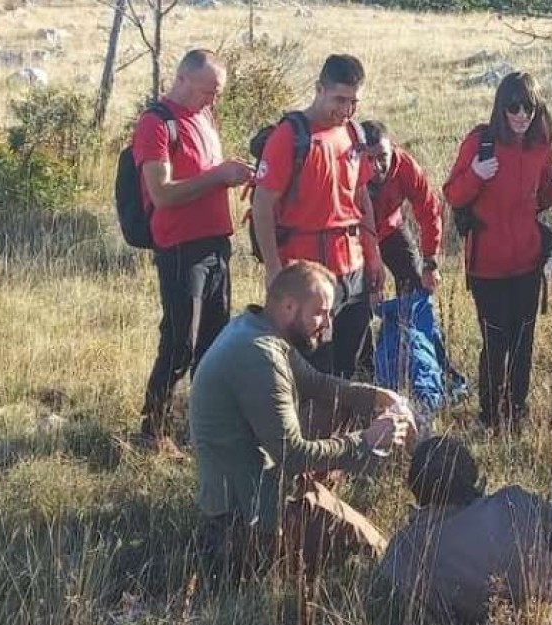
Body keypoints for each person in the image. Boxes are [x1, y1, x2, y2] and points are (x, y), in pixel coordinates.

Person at [189, 260, 416, 584]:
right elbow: (292, 455)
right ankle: (292, 533)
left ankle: (314, 501)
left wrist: (379, 397)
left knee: (339, 405)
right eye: (320, 313)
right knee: (382, 551)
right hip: (247, 520)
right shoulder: (260, 356)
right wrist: (367, 441)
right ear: (288, 306)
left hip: (247, 488)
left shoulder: (255, 328)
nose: (326, 324)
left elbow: (318, 384)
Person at [443, 71, 552, 430]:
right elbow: (453, 194)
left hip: (527, 264)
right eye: (513, 107)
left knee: (523, 343)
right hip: (487, 266)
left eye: (527, 107)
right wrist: (475, 174)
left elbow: (547, 193)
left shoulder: (539, 147)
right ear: (500, 108)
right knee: (494, 343)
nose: (520, 115)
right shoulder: (479, 143)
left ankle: (517, 413)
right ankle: (489, 418)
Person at [132, 49, 255, 456]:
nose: (213, 99)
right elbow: (163, 194)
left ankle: (205, 425)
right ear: (183, 79)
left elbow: (206, 175)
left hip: (216, 243)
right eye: (208, 90)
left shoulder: (204, 117)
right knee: (180, 340)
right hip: (180, 246)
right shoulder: (156, 123)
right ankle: (153, 431)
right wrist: (219, 176)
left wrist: (231, 176)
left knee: (215, 342)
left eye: (217, 92)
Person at [374, 436, 552, 624]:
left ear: (416, 490)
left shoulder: (403, 551)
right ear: (474, 478)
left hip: (508, 608)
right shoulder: (510, 503)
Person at [251, 54, 383, 380]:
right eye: (340, 99)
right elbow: (262, 205)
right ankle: (309, 431)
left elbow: (361, 197)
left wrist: (374, 256)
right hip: (306, 277)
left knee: (347, 368)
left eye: (354, 101)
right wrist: (273, 269)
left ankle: (344, 430)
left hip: (352, 271)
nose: (347, 109)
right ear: (319, 89)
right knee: (313, 372)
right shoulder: (290, 136)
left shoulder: (353, 134)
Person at [361, 119, 443, 295]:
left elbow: (429, 210)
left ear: (392, 148)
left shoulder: (406, 167)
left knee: (414, 282)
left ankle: (407, 320)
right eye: (369, 159)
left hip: (390, 227)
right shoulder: (347, 171)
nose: (376, 167)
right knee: (360, 295)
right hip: (356, 237)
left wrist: (430, 261)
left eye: (382, 157)